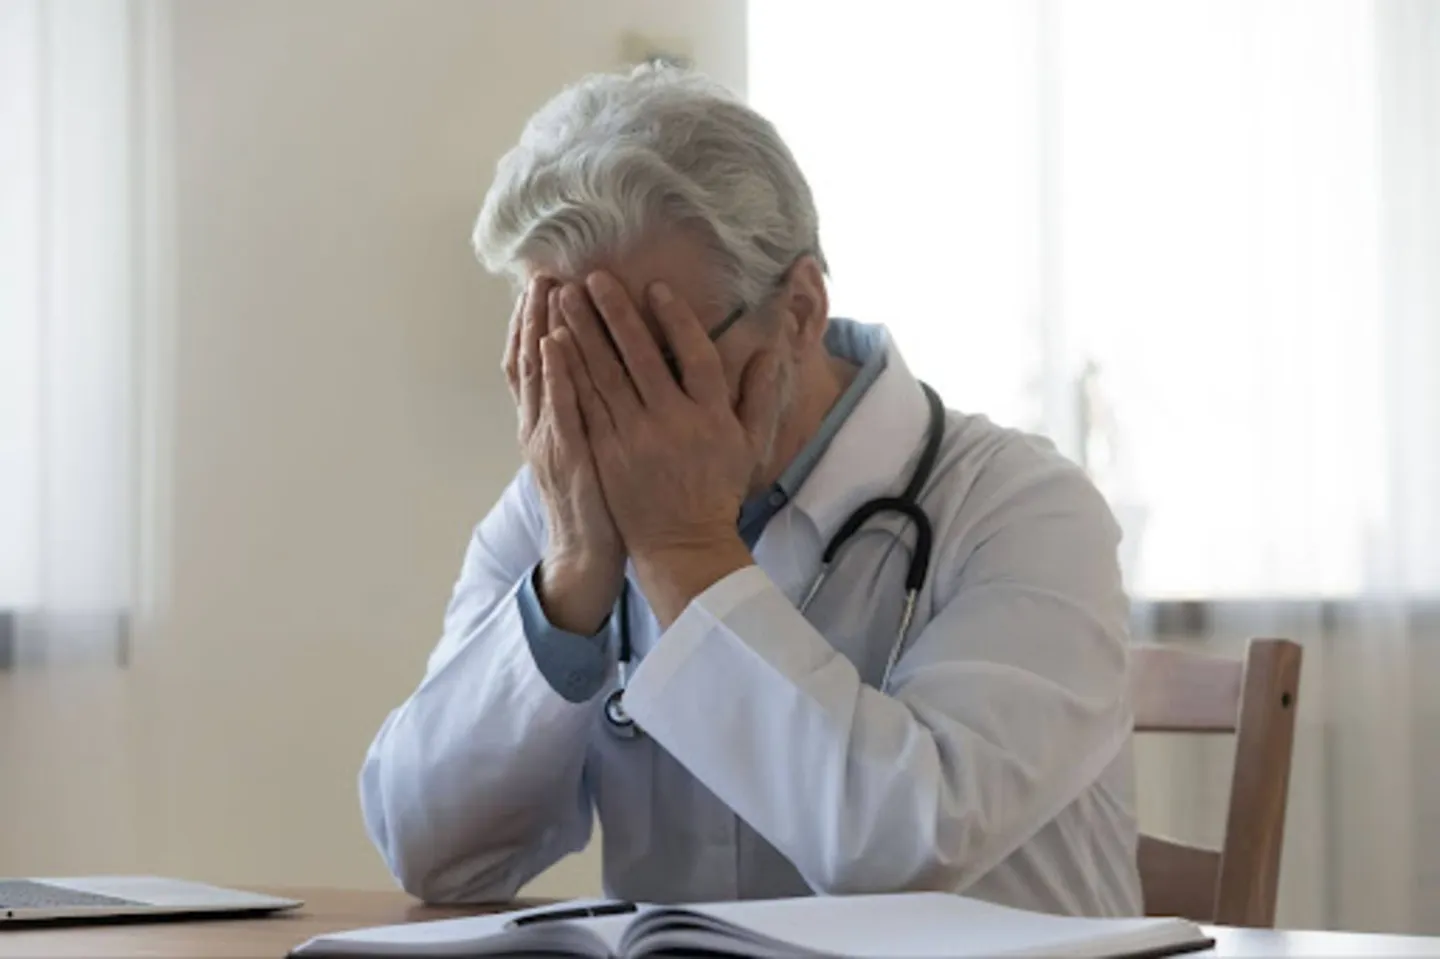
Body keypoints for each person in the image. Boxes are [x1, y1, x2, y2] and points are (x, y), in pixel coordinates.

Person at [359, 64, 1143, 918]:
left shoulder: (1026, 510)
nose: (615, 409)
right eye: (574, 354)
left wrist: (686, 552)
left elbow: (903, 847)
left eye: (653, 356)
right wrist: (574, 575)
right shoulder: (561, 505)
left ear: (799, 309)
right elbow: (427, 847)